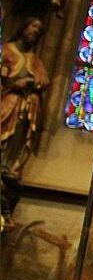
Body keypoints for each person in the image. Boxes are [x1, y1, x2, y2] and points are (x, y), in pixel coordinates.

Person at [1, 18, 49, 183]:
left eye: (39, 29)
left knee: (19, 133)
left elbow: (44, 80)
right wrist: (14, 84)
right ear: (23, 26)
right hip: (7, 101)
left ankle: (8, 165)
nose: (35, 31)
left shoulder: (34, 60)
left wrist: (32, 83)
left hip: (24, 107)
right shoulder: (6, 50)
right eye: (33, 26)